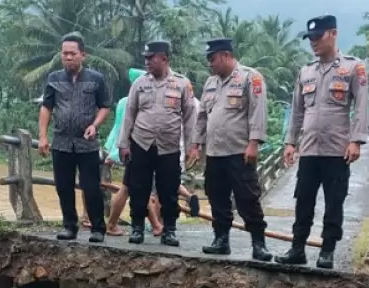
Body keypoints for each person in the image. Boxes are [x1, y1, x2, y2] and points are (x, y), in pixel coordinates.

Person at [274, 15, 369, 268]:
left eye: (318, 36)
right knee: (303, 199)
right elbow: (297, 111)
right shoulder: (306, 71)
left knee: (334, 201)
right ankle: (297, 248)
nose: (313, 42)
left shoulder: (353, 68)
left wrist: (356, 141)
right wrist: (290, 142)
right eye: (310, 38)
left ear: (333, 34)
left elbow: (361, 106)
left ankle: (327, 251)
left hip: (337, 149)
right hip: (309, 149)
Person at [185, 38, 272, 261]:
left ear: (225, 55)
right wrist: (196, 145)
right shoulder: (210, 82)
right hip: (215, 153)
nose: (210, 63)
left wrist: (254, 143)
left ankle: (258, 243)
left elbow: (258, 112)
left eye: (212, 58)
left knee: (247, 198)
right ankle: (221, 240)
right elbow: (202, 117)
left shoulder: (250, 78)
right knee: (217, 197)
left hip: (239, 151)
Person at [118, 41, 197, 247]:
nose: (147, 62)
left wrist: (192, 147)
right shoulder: (140, 84)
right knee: (138, 187)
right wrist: (123, 144)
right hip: (141, 143)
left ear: (164, 58)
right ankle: (137, 228)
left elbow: (190, 118)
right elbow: (129, 114)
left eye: (151, 58)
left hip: (169, 146)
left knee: (169, 190)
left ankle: (169, 230)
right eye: (145, 58)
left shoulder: (182, 84)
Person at [38, 33, 112, 243]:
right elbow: (46, 107)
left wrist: (95, 125)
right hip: (61, 142)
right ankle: (69, 226)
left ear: (83, 55)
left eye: (73, 53)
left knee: (91, 187)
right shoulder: (53, 79)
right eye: (65, 54)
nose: (68, 57)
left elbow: (105, 106)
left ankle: (98, 228)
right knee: (63, 187)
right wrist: (42, 136)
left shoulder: (96, 79)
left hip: (87, 144)